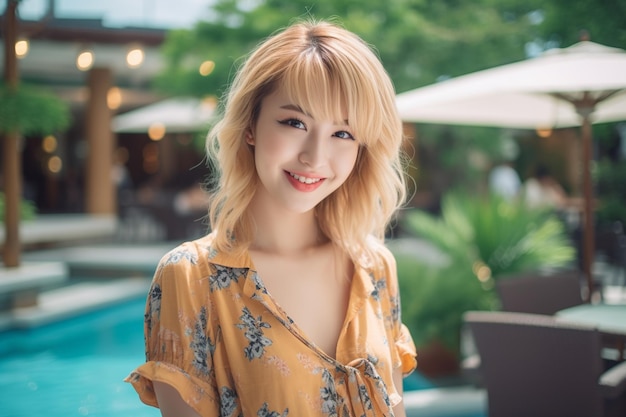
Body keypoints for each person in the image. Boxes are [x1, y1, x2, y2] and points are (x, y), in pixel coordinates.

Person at [125, 19, 417, 417]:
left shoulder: (375, 267)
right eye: (295, 122)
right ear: (250, 126)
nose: (315, 157)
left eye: (343, 134)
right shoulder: (191, 279)